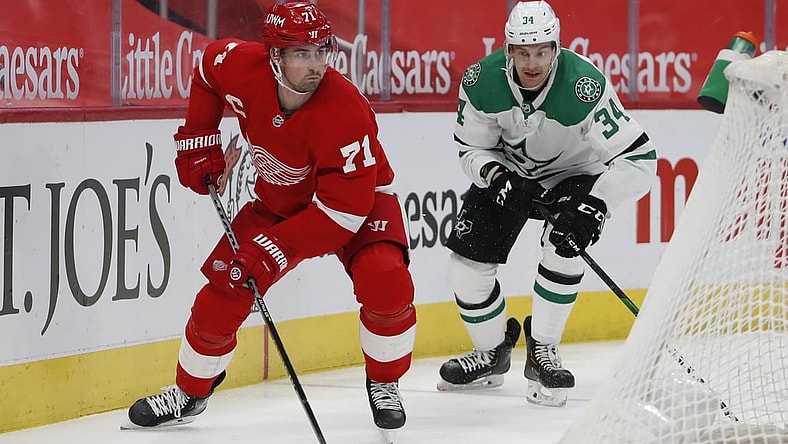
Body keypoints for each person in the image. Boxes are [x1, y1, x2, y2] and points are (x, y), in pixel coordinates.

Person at [126, 1, 416, 435]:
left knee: (385, 280)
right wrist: (199, 137)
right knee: (220, 295)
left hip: (356, 203)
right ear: (274, 56)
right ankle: (190, 393)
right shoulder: (241, 65)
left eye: (322, 50)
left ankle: (385, 380)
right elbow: (207, 71)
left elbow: (343, 214)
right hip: (278, 203)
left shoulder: (346, 111)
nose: (316, 64)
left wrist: (274, 249)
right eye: (302, 54)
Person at [437, 0, 656, 408]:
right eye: (523, 52)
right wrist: (499, 179)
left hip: (575, 173)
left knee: (563, 246)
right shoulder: (480, 81)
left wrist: (597, 205)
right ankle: (491, 353)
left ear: (557, 48)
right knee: (464, 270)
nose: (532, 62)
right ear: (509, 50)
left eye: (541, 51)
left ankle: (544, 350)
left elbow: (640, 161)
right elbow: (470, 149)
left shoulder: (583, 85)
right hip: (510, 173)